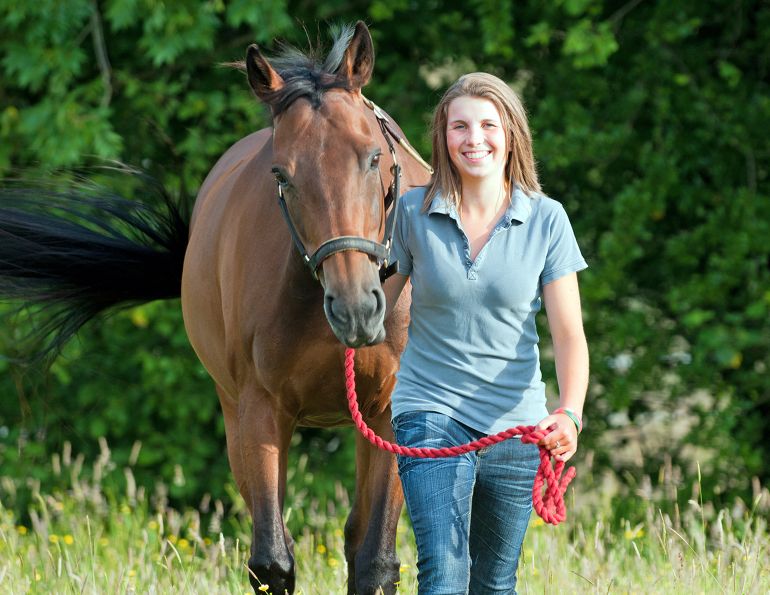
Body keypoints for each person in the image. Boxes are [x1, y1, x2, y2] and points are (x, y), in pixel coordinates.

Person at [383, 72, 589, 594]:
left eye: (487, 125)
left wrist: (569, 411)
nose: (474, 139)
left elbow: (569, 336)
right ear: (443, 137)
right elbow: (378, 303)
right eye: (460, 127)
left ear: (511, 133)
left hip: (516, 424)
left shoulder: (547, 220)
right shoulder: (411, 211)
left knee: (495, 583)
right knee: (444, 571)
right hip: (430, 410)